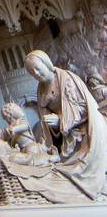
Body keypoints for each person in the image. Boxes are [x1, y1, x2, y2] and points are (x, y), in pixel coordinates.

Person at [25, 49, 107, 199]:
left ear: (46, 63)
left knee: (78, 166)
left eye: (37, 68)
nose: (36, 73)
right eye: (31, 72)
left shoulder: (66, 79)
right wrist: (54, 128)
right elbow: (45, 123)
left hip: (85, 126)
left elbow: (84, 108)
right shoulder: (41, 89)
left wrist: (61, 120)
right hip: (64, 134)